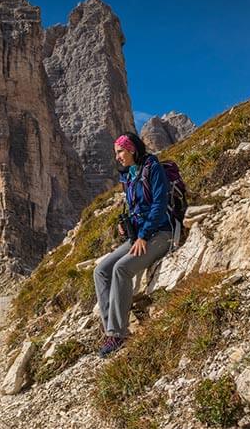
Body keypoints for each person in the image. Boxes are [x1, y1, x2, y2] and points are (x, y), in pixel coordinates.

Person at [93, 132, 173, 357]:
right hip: (138, 235)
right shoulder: (128, 175)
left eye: (120, 152)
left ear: (132, 149)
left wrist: (144, 235)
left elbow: (159, 205)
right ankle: (111, 330)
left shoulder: (152, 167)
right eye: (116, 153)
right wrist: (126, 226)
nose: (117, 157)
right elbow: (136, 208)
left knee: (122, 268)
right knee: (101, 271)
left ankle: (118, 334)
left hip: (160, 234)